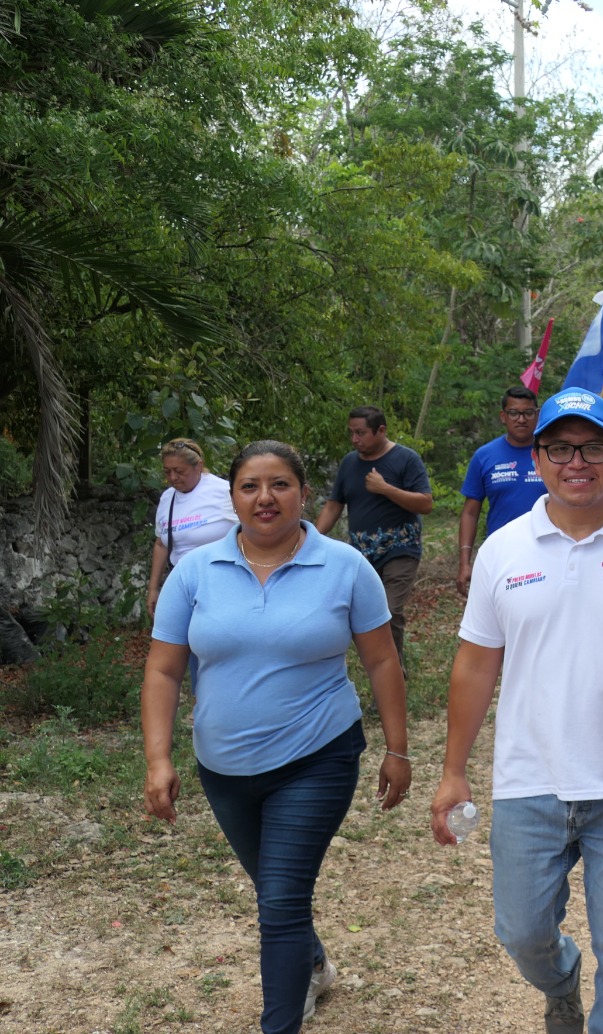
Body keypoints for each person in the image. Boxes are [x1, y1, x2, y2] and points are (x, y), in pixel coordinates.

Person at [429, 386, 603, 1034]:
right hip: (530, 779)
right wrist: (454, 770)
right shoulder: (505, 550)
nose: (576, 461)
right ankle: (560, 980)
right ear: (537, 458)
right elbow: (476, 664)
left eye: (592, 447)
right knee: (522, 930)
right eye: (560, 448)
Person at [142, 440, 410, 1034]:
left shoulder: (345, 567)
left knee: (281, 903)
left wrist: (397, 749)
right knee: (274, 889)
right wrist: (158, 758)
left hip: (318, 756)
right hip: (225, 766)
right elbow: (163, 669)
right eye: (250, 487)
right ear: (231, 496)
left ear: (303, 493)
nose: (265, 498)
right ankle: (312, 962)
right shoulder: (195, 571)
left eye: (280, 485)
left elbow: (383, 662)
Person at [314, 406, 433, 661]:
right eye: (351, 433)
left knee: (389, 611)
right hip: (361, 556)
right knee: (365, 616)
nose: (355, 439)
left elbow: (426, 503)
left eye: (361, 433)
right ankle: (380, 670)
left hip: (400, 549)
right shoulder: (349, 463)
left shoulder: (406, 459)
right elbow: (335, 504)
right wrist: (310, 538)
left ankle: (394, 677)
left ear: (381, 430)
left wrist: (385, 488)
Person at [457, 386, 547, 596]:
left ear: (537, 414)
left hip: (549, 551)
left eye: (528, 413)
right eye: (514, 413)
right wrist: (464, 562)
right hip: (502, 555)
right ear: (503, 416)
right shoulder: (484, 456)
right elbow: (470, 512)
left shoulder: (552, 452)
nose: (521, 419)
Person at [146, 438, 238, 617]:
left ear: (198, 466)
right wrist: (153, 588)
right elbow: (161, 543)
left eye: (179, 471)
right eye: (167, 472)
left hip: (222, 586)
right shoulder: (168, 498)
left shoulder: (224, 492)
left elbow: (253, 532)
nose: (173, 477)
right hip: (183, 587)